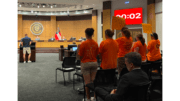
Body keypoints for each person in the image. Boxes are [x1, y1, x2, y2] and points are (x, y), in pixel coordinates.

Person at [78, 28, 99, 101]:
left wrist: (82, 61)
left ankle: (88, 98)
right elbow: (96, 55)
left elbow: (80, 55)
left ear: (86, 34)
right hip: (94, 63)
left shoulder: (83, 43)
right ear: (92, 34)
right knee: (94, 82)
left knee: (87, 82)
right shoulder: (96, 43)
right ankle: (95, 97)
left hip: (85, 63)